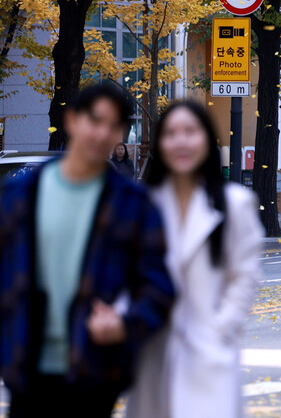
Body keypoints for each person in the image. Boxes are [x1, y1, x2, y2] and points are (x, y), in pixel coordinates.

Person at [0, 82, 175, 418]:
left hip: (96, 370)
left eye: (113, 125)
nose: (102, 133)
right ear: (72, 121)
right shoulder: (20, 195)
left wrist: (126, 324)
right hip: (24, 363)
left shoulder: (132, 204)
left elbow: (160, 289)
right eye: (95, 120)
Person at [126, 101, 264, 418]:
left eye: (191, 131)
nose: (181, 142)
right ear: (159, 143)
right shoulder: (144, 205)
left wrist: (219, 328)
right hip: (152, 353)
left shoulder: (235, 204)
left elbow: (244, 277)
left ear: (207, 139)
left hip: (208, 354)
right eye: (171, 133)